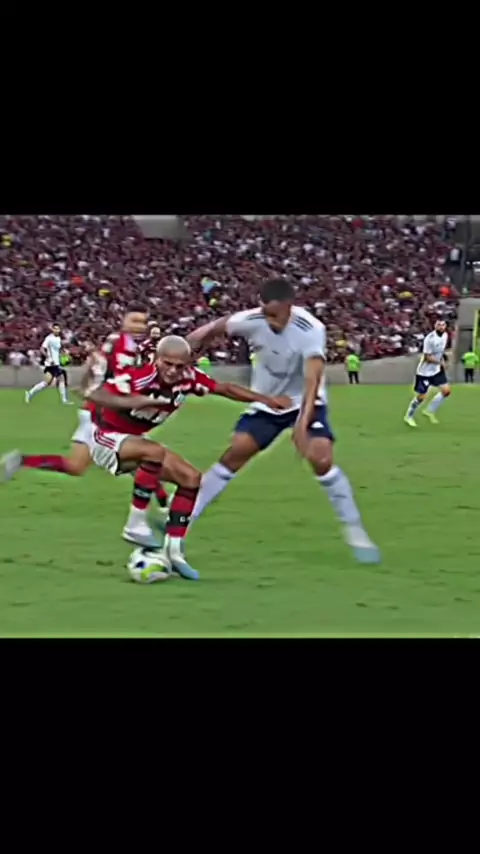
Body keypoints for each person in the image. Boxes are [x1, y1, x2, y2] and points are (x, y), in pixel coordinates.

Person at [1, 336, 291, 572]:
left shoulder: (189, 379)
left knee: (191, 479)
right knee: (151, 452)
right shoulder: (139, 379)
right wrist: (132, 401)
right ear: (156, 359)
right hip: (104, 437)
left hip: (132, 440)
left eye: (180, 365)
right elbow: (95, 394)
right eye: (168, 364)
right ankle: (135, 523)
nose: (173, 371)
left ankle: (174, 552)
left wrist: (265, 400)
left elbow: (224, 388)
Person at [187, 278, 381, 564]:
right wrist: (191, 346)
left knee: (321, 458)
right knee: (237, 451)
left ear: (289, 306)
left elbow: (313, 379)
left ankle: (354, 529)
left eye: (275, 314)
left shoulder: (310, 329)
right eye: (265, 313)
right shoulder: (252, 319)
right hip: (268, 401)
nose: (270, 320)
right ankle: (182, 518)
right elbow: (213, 328)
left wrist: (301, 425)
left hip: (305, 400)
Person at [404, 319, 451, 427]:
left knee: (446, 391)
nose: (441, 327)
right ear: (435, 326)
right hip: (424, 372)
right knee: (421, 397)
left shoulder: (445, 335)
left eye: (443, 325)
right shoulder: (430, 339)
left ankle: (429, 411)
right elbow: (427, 357)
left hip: (437, 370)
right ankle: (409, 416)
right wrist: (440, 363)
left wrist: (443, 361)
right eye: (439, 325)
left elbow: (440, 352)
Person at [25, 323, 71, 405]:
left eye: (58, 329)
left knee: (49, 382)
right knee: (59, 380)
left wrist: (64, 353)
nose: (57, 330)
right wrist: (48, 357)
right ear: (52, 329)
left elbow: (58, 349)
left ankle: (30, 393)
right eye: (55, 329)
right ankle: (64, 400)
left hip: (56, 363)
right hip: (51, 363)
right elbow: (42, 349)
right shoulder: (49, 338)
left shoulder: (58, 338)